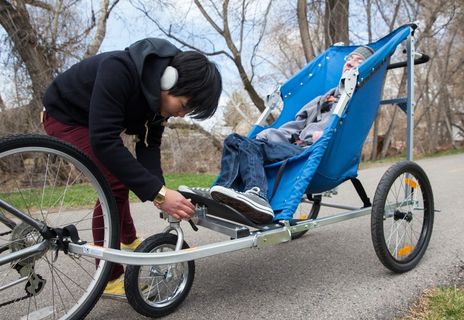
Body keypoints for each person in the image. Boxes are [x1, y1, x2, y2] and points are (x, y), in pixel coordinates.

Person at [42, 38, 222, 298]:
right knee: (113, 180)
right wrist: (157, 193)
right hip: (65, 116)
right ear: (169, 80)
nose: (182, 115)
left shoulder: (159, 104)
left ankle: (126, 238)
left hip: (96, 125)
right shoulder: (120, 69)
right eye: (184, 106)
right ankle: (109, 276)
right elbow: (103, 141)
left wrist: (159, 192)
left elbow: (149, 148)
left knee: (123, 173)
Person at [208, 46, 374, 224]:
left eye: (359, 61)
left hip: (317, 153)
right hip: (295, 147)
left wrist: (326, 135)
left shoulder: (358, 103)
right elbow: (296, 125)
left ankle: (257, 194)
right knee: (234, 141)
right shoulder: (324, 98)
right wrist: (270, 134)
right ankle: (224, 190)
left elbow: (347, 135)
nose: (351, 62)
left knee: (247, 146)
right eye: (350, 59)